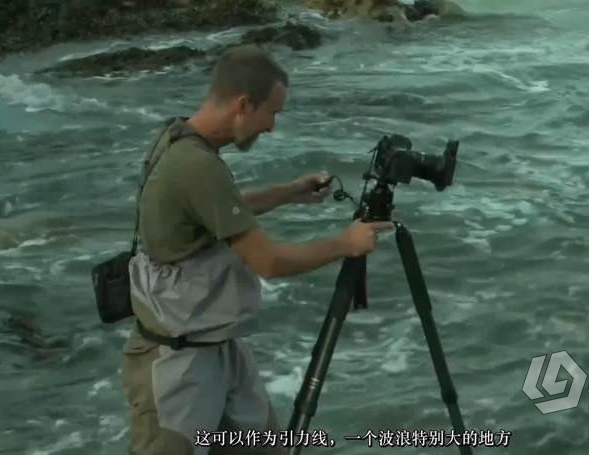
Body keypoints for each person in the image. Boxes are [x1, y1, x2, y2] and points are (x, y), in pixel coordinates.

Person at [121, 44, 395, 455]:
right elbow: (267, 261)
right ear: (243, 105)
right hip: (177, 364)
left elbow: (214, 209)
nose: (272, 128)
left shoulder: (181, 139)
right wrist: (345, 243)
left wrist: (289, 192)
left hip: (216, 346)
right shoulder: (196, 164)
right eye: (272, 113)